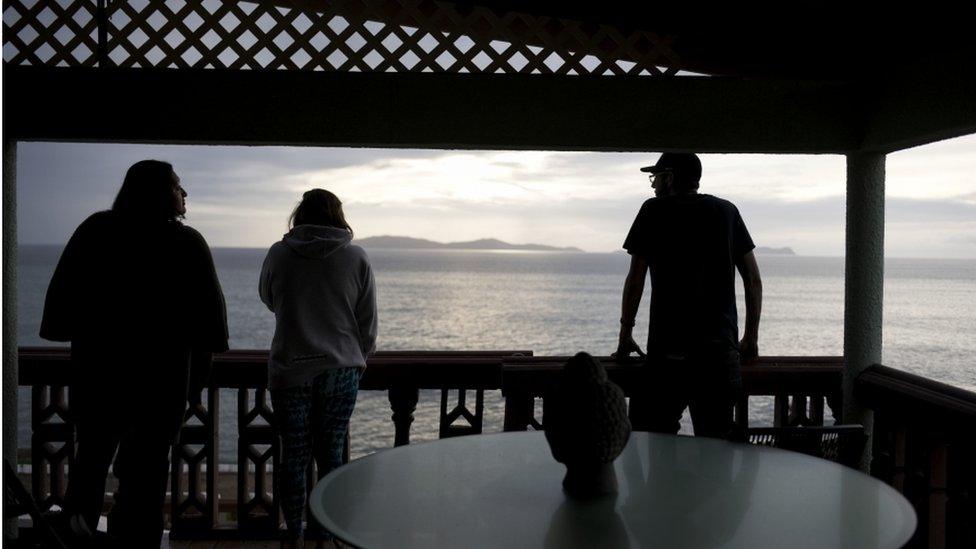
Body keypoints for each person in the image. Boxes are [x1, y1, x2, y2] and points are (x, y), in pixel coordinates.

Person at [40, 160, 229, 546]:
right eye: (178, 186)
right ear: (161, 194)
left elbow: (58, 315)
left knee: (89, 469)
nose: (184, 193)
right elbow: (211, 328)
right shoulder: (186, 243)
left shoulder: (95, 231)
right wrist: (194, 387)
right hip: (161, 389)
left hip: (98, 381)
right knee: (144, 482)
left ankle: (74, 539)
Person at [259, 189, 377, 548]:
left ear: (300, 215)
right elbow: (367, 323)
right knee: (332, 455)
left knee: (293, 456)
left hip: (291, 368)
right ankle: (325, 534)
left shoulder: (280, 254)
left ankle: (292, 533)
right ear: (338, 216)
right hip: (341, 370)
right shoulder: (356, 257)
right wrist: (359, 360)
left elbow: (268, 296)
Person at [615, 152, 762, 439]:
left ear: (669, 177)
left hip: (669, 356)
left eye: (655, 177)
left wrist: (625, 334)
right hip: (719, 357)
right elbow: (753, 280)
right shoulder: (727, 212)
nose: (654, 185)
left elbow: (636, 280)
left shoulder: (653, 211)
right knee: (716, 451)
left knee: (652, 443)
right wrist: (750, 338)